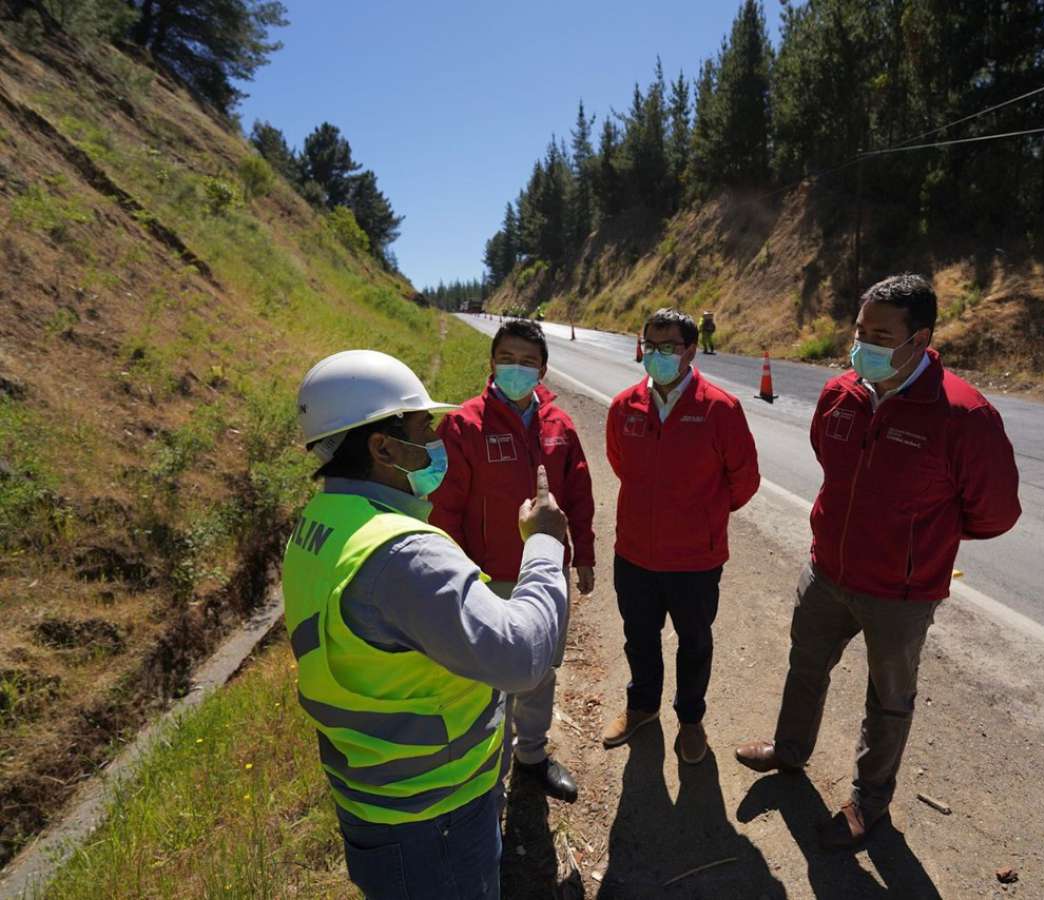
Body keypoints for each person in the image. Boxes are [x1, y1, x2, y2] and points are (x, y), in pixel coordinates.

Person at [735, 274, 1021, 850]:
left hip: (901, 593)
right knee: (805, 665)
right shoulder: (840, 393)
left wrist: (920, 540)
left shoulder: (964, 415)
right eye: (860, 330)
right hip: (827, 572)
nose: (863, 343)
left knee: (888, 700)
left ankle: (869, 802)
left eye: (881, 334)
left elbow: (994, 512)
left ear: (920, 338)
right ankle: (789, 751)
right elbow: (832, 464)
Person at [283, 349, 569, 899]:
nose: (435, 439)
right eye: (421, 427)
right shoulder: (402, 553)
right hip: (434, 813)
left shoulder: (322, 524)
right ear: (382, 445)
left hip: (374, 796)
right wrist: (544, 542)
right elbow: (520, 657)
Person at [431, 319, 595, 804]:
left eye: (528, 361)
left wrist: (582, 554)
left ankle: (532, 755)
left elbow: (580, 496)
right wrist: (459, 575)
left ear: (543, 370)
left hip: (545, 575)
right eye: (508, 359)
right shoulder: (463, 425)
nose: (517, 369)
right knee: (487, 681)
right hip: (485, 578)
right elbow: (445, 508)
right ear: (492, 363)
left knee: (540, 669)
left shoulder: (560, 428)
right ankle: (489, 770)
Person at [602, 308, 760, 764]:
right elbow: (621, 465)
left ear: (691, 350)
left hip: (695, 559)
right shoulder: (623, 406)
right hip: (634, 553)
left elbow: (743, 480)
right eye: (650, 345)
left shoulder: (720, 409)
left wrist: (702, 515)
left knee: (694, 642)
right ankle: (643, 707)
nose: (656, 354)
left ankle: (690, 719)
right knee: (639, 637)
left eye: (667, 347)